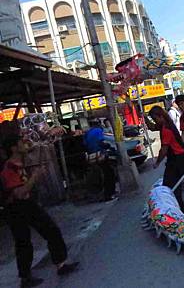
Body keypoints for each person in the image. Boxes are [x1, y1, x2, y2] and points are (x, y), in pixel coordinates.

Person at [0, 135, 79, 288]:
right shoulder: (9, 169)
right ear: (14, 148)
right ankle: (25, 278)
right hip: (16, 208)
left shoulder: (20, 161)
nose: (24, 144)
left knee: (52, 230)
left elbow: (34, 146)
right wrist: (35, 176)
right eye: (20, 142)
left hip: (28, 204)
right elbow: (19, 192)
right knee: (23, 242)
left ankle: (61, 264)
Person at [149, 106, 184, 212]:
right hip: (176, 158)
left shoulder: (166, 129)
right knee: (172, 184)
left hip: (179, 158)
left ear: (161, 116)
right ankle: (180, 206)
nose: (155, 121)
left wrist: (157, 163)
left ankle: (177, 208)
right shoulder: (163, 125)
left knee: (170, 184)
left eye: (155, 119)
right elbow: (152, 127)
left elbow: (164, 150)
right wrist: (144, 119)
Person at [83, 120, 117, 201]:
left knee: (101, 174)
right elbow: (101, 142)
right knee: (109, 174)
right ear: (98, 124)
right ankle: (109, 194)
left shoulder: (88, 133)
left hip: (92, 157)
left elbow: (85, 144)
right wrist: (108, 146)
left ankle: (106, 193)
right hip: (100, 155)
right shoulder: (99, 130)